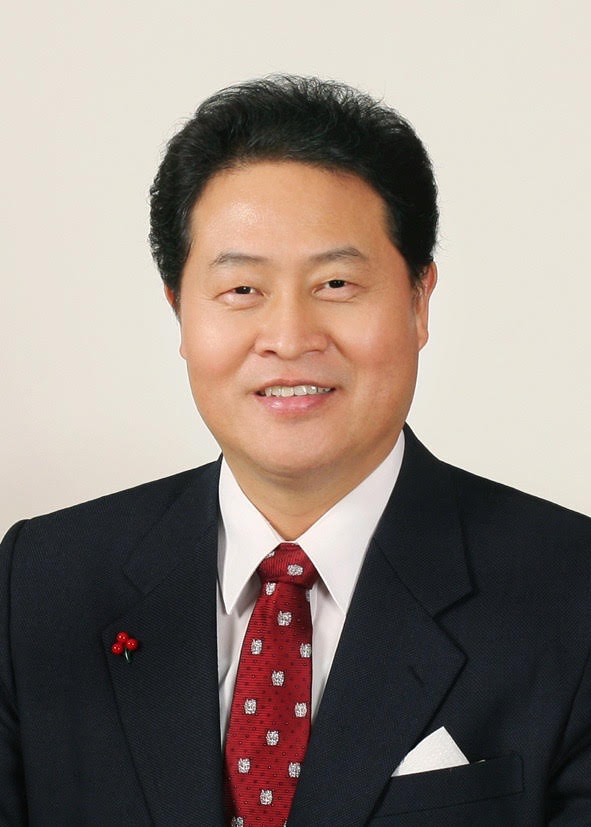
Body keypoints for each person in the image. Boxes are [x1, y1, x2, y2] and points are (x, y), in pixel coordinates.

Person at [0, 75, 589, 827]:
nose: (288, 338)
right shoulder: (39, 585)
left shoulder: (571, 594)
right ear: (179, 312)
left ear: (418, 301)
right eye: (242, 290)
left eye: (335, 282)